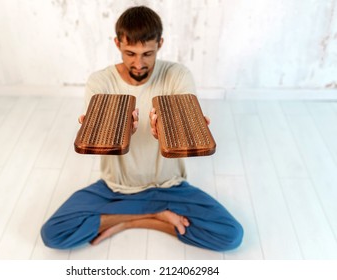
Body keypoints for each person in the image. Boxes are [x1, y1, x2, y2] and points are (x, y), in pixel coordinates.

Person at [41, 5, 243, 251]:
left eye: (147, 53)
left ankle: (132, 220)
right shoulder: (100, 82)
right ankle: (155, 216)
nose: (138, 63)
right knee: (53, 234)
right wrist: (112, 133)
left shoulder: (176, 75)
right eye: (130, 53)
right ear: (117, 44)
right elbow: (101, 137)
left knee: (231, 235)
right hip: (116, 190)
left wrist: (181, 132)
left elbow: (182, 125)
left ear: (160, 43)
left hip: (169, 187)